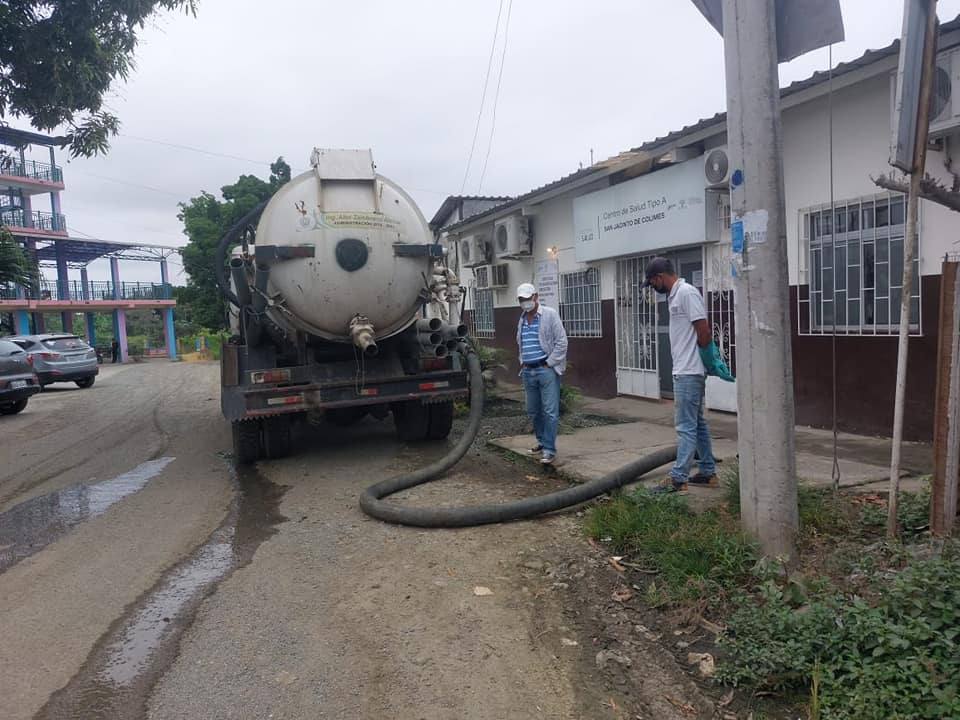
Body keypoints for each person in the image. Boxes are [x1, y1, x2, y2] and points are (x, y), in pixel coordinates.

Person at [643, 257, 719, 493]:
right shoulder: (675, 295)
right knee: (697, 424)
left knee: (685, 427)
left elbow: (703, 330)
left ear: (659, 277)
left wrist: (704, 359)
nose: (653, 287)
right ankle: (707, 471)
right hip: (685, 370)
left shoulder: (686, 293)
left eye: (652, 282)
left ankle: (678, 478)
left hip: (689, 371)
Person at [515, 282, 568, 465]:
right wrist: (522, 362)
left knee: (550, 411)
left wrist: (549, 363)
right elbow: (521, 342)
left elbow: (562, 341)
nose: (524, 302)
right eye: (521, 300)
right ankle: (541, 441)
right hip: (528, 371)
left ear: (536, 297)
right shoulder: (522, 319)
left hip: (545, 370)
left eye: (527, 298)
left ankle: (549, 449)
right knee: (533, 410)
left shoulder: (549, 315)